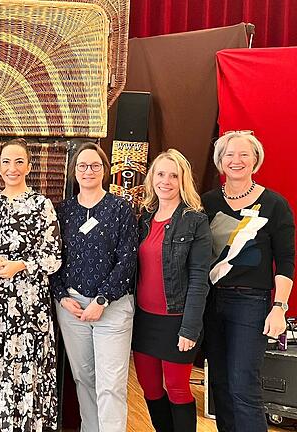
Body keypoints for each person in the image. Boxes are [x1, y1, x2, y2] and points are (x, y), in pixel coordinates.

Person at [0, 139, 62, 431]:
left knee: (25, 369)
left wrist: (21, 265)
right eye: (6, 161)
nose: (12, 168)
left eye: (19, 161)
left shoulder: (41, 205)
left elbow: (53, 256)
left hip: (29, 305)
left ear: (29, 166)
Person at [202, 130, 295, 432]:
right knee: (220, 384)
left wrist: (279, 307)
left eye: (244, 154)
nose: (236, 160)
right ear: (220, 161)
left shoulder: (275, 204)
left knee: (243, 386)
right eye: (229, 154)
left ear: (256, 160)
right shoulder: (207, 203)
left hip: (251, 304)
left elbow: (285, 260)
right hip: (211, 301)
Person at [50, 142, 138, 432]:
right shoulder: (63, 211)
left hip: (112, 308)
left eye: (95, 166)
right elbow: (53, 259)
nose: (89, 171)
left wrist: (102, 299)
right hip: (72, 308)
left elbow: (128, 259)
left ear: (105, 171)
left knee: (110, 385)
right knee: (84, 379)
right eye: (83, 166)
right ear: (74, 172)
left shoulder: (121, 209)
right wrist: (62, 296)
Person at [132, 149, 211, 432]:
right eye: (161, 174)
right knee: (150, 389)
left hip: (178, 320)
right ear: (152, 178)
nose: (166, 181)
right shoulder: (143, 218)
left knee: (178, 389)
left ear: (183, 180)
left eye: (173, 175)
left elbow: (201, 277)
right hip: (144, 320)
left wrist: (189, 328)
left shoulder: (195, 220)